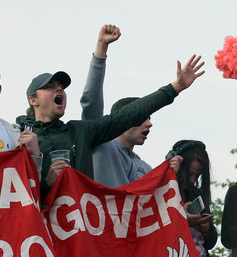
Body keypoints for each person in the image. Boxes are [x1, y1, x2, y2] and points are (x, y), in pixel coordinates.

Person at [16, 43, 204, 197]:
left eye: (61, 87)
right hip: (38, 234)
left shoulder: (80, 132)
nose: (59, 90)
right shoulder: (15, 135)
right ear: (33, 100)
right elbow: (11, 196)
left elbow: (127, 115)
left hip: (78, 231)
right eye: (50, 87)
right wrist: (47, 182)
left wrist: (174, 88)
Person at [79, 25, 181, 186]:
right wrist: (101, 47)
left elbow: (150, 205)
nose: (150, 124)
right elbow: (91, 102)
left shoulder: (145, 168)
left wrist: (168, 176)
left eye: (149, 118)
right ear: (123, 120)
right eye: (142, 118)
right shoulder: (100, 144)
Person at [169, 140, 217, 257]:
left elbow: (211, 241)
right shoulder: (162, 192)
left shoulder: (196, 194)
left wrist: (205, 229)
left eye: (197, 175)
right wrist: (184, 220)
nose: (192, 179)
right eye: (189, 173)